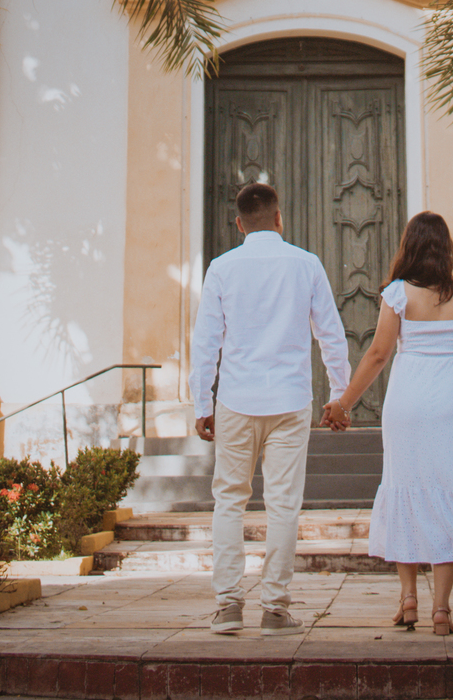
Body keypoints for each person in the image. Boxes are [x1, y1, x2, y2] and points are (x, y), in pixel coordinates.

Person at [323, 211, 453, 635]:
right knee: (447, 491)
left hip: (407, 403)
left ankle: (408, 598)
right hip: (452, 404)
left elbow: (378, 354)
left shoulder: (397, 294)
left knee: (405, 490)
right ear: (446, 249)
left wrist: (344, 404)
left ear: (408, 247)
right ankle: (441, 610)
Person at [190, 181, 351, 636]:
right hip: (289, 401)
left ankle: (228, 606)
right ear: (279, 219)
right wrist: (339, 396)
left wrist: (202, 402)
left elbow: (206, 342)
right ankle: (275, 610)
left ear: (239, 224)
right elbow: (331, 334)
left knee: (229, 501)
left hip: (235, 401)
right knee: (283, 505)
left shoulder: (222, 268)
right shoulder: (306, 264)